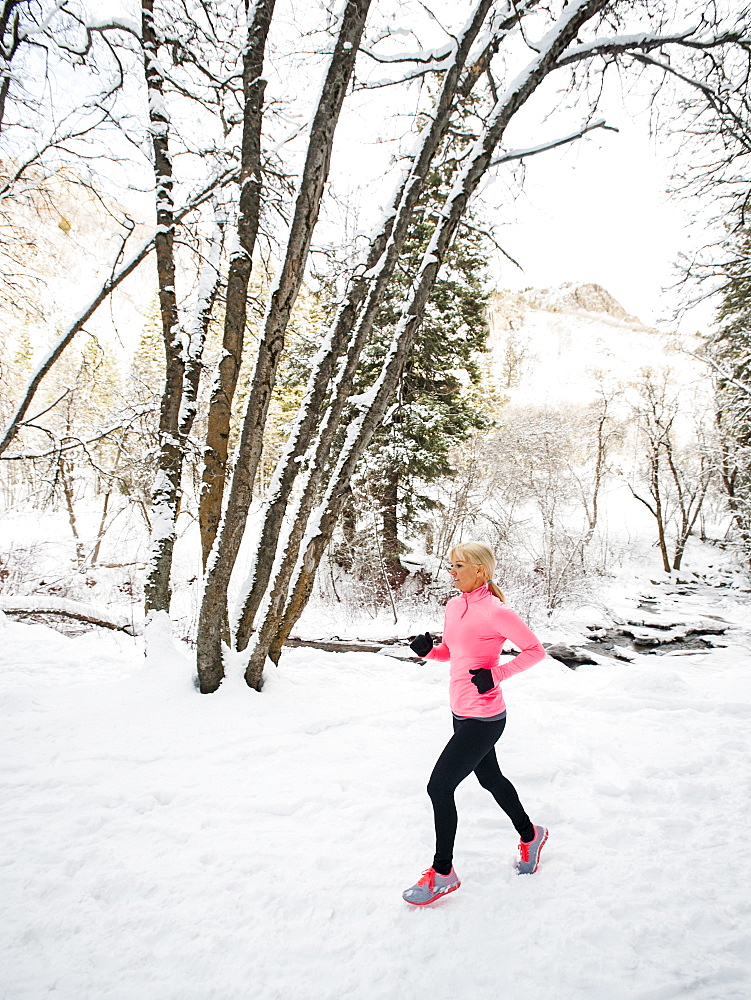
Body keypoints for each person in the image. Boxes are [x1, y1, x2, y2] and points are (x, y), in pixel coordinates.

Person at [402, 541, 548, 906]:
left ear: (479, 570)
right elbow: (451, 654)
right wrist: (428, 651)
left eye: (458, 565)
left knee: (439, 787)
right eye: (451, 565)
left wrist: (496, 675)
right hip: (460, 710)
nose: (451, 571)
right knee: (491, 779)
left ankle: (443, 873)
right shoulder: (454, 606)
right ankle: (531, 834)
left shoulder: (498, 612)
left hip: (484, 717)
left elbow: (536, 651)